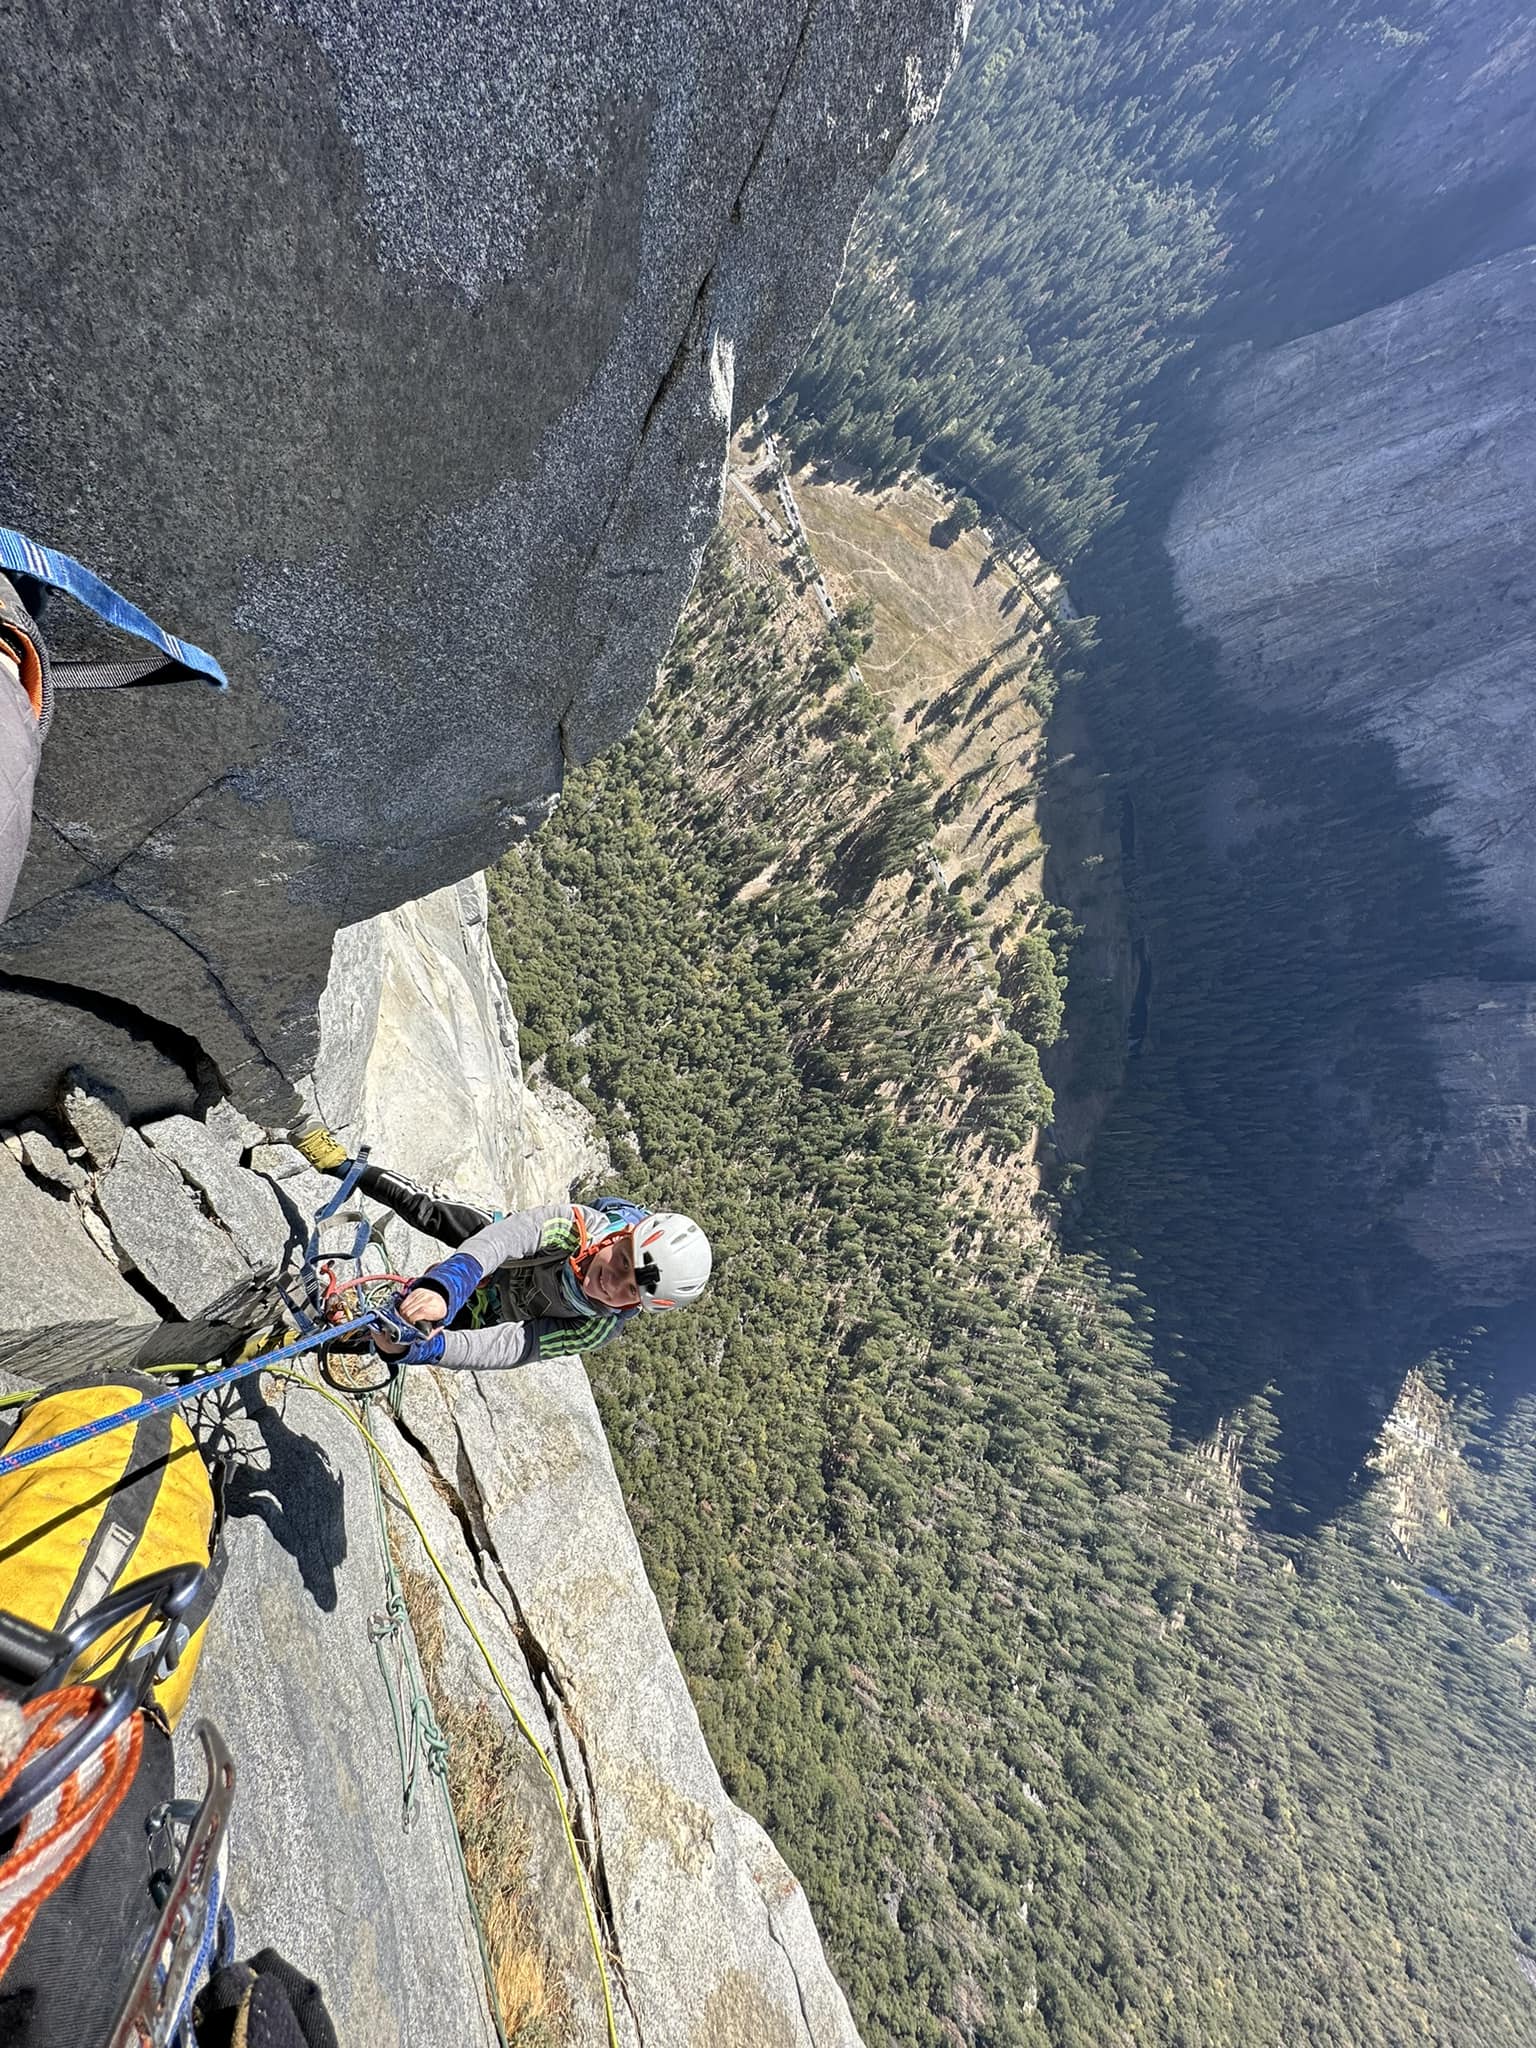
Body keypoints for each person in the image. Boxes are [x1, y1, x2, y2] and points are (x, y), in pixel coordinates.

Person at [293, 1121, 712, 1368]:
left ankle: (322, 1334)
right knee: (429, 1210)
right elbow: (505, 1240)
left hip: (497, 1312)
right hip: (510, 1257)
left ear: (640, 1306)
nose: (613, 1282)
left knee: (398, 1335)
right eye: (622, 1261)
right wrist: (445, 1286)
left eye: (630, 1291)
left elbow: (515, 1346)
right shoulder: (581, 1228)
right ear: (620, 1237)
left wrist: (429, 1349)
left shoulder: (596, 1327)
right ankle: (341, 1164)